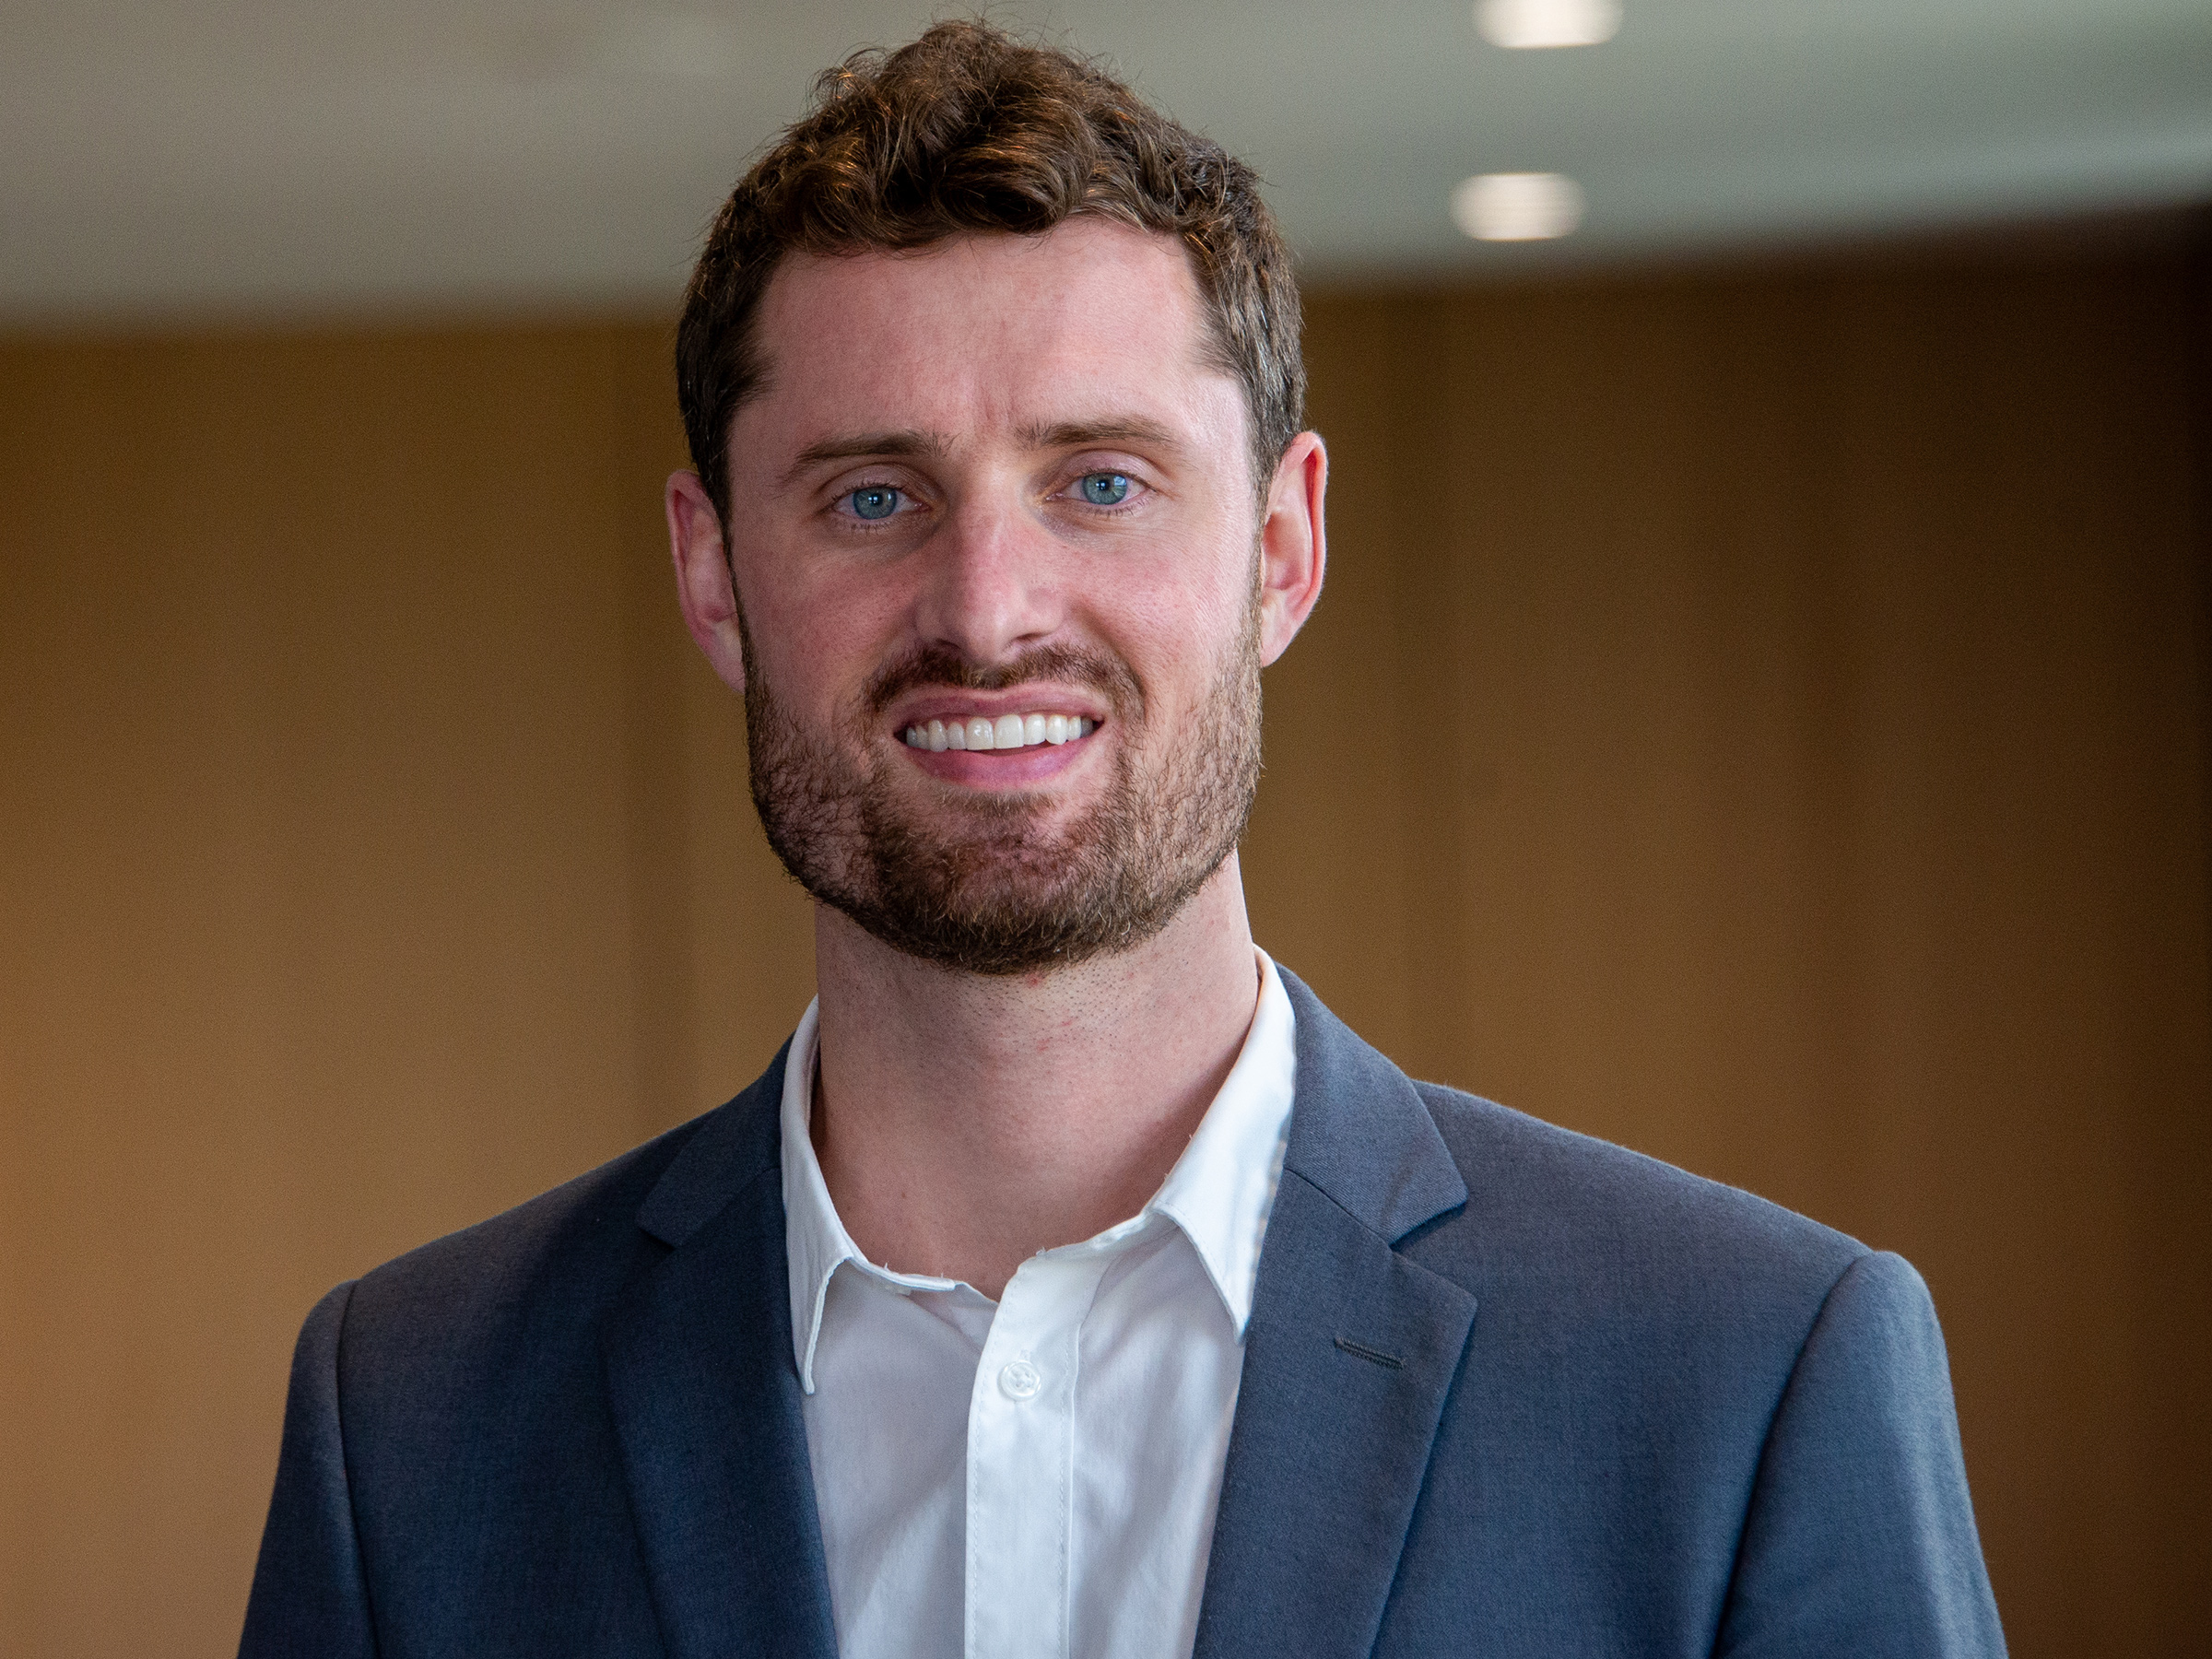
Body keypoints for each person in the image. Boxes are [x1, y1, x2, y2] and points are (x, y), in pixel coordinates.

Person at [239, 21, 2006, 1659]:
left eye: (1102, 481)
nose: (989, 611)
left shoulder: (1747, 1375)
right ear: (713, 574)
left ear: (1283, 549)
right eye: (873, 496)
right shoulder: (411, 1428)